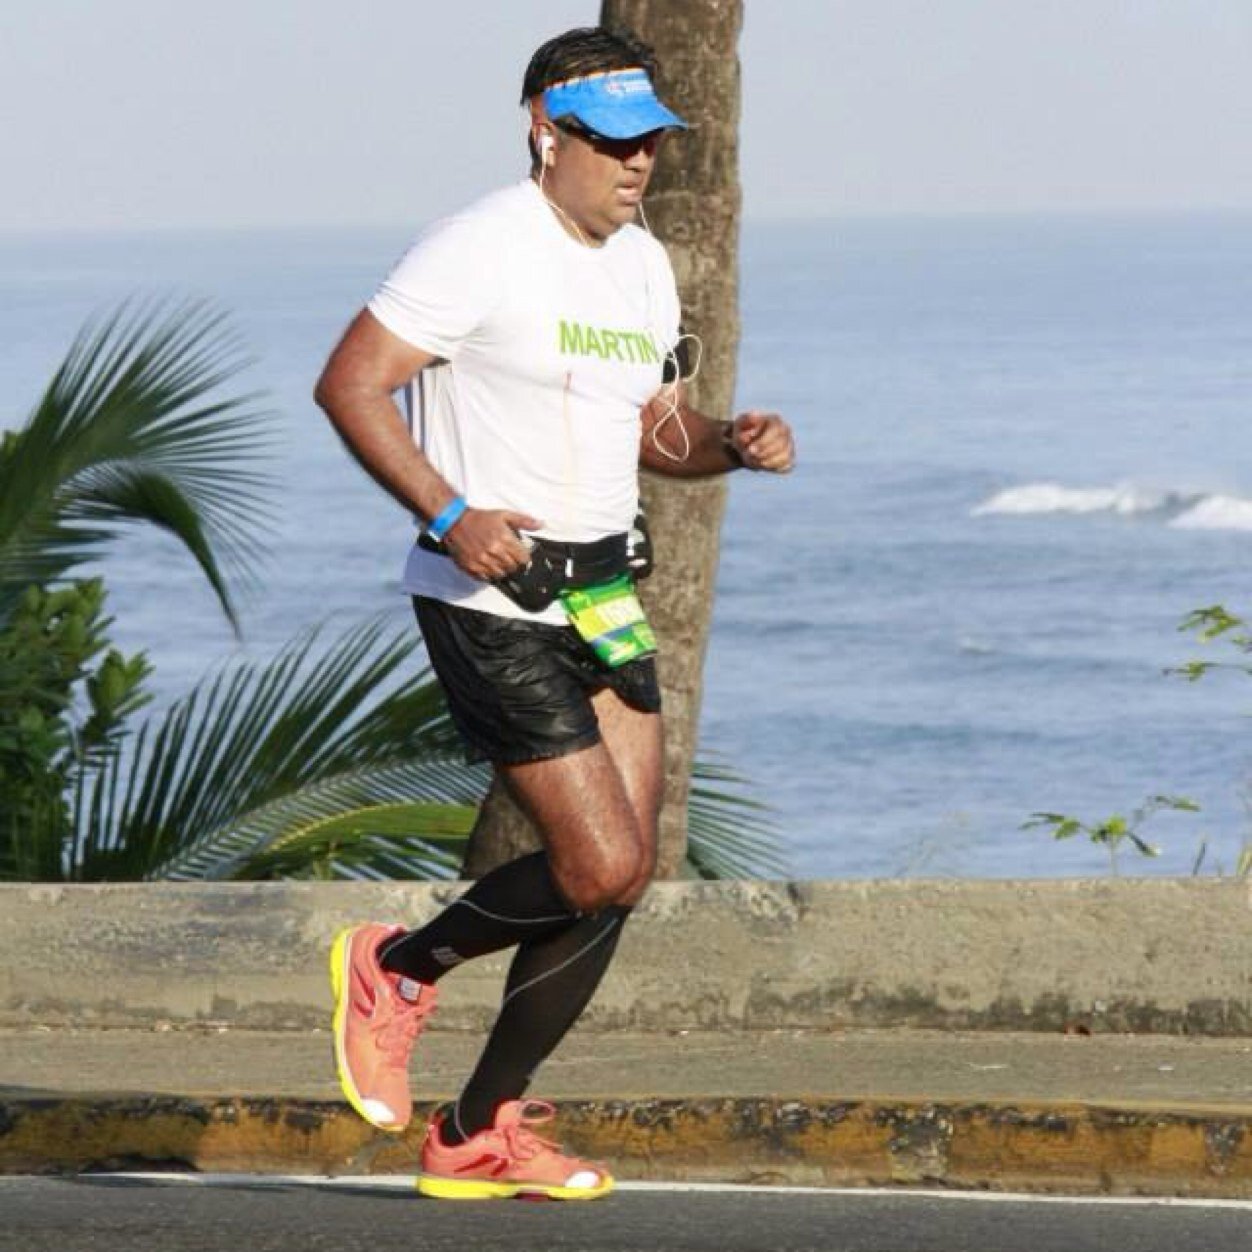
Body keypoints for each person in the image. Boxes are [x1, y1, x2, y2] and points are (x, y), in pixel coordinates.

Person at [314, 25, 795, 1202]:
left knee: (620, 879)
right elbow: (351, 383)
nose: (640, 166)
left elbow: (652, 430)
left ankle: (478, 1129)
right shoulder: (478, 247)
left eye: (652, 144)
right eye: (616, 143)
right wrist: (448, 511)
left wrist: (730, 442)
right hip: (493, 593)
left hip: (606, 594)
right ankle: (395, 965)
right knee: (597, 858)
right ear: (547, 131)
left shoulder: (641, 262)